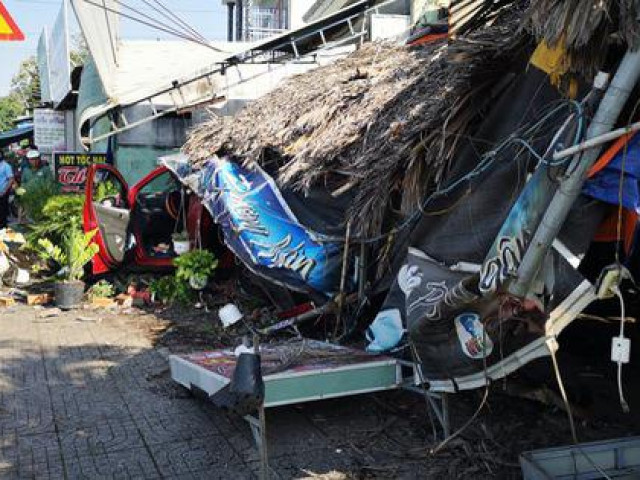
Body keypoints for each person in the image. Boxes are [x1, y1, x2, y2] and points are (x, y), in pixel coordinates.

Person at [0, 151, 15, 229]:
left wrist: (4, 191)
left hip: (2, 193)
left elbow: (11, 179)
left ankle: (3, 230)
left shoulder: (6, 166)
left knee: (2, 213)